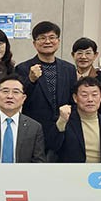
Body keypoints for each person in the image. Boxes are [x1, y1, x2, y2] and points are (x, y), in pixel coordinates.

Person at [15, 21, 77, 152]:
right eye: (42, 38)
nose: (47, 41)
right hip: (34, 129)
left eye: (52, 37)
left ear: (58, 41)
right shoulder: (23, 68)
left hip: (63, 127)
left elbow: (73, 99)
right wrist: (31, 80)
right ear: (34, 43)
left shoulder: (69, 69)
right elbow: (19, 99)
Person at [46, 76, 101, 164]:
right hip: (72, 171)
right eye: (84, 95)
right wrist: (62, 121)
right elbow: (52, 146)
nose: (90, 100)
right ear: (75, 98)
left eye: (94, 95)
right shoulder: (65, 120)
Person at [70, 37, 101, 112]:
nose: (83, 57)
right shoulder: (68, 76)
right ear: (73, 55)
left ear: (95, 55)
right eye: (79, 53)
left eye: (88, 53)